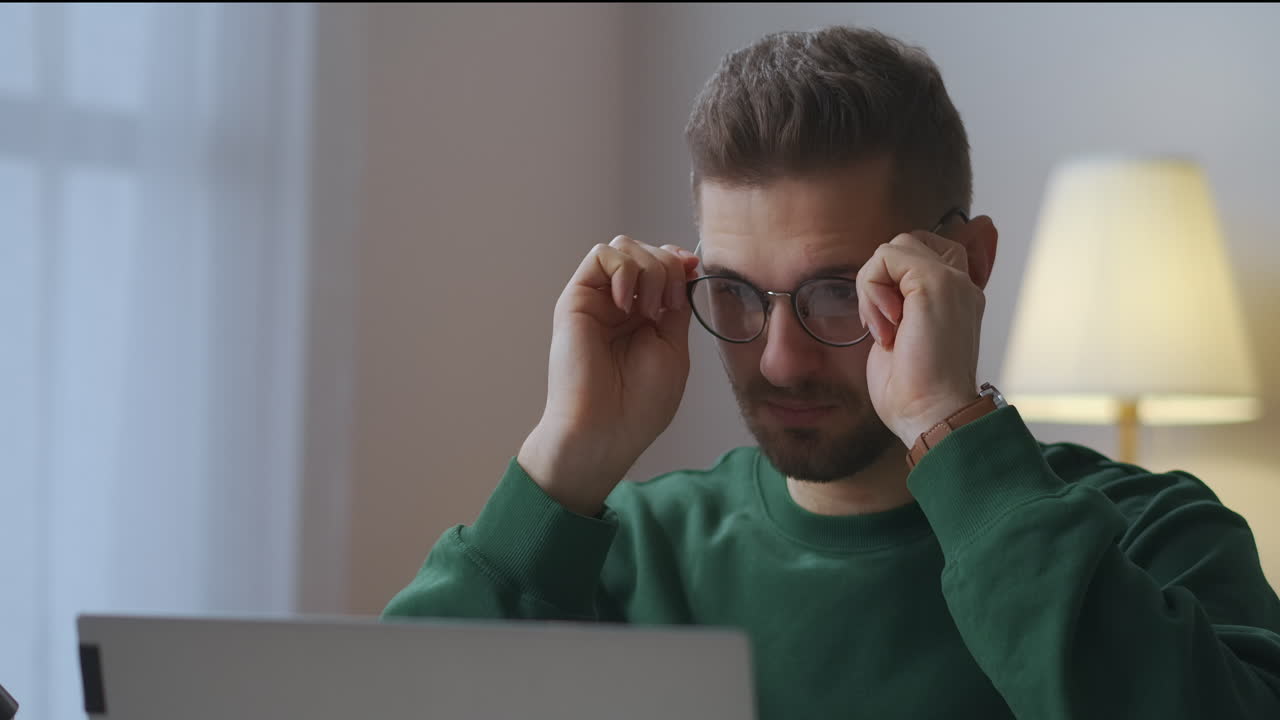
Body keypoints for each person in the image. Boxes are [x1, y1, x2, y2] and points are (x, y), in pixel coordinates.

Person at [382, 25, 1280, 719]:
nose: (778, 357)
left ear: (965, 264)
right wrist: (566, 454)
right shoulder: (633, 557)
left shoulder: (1159, 538)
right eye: (733, 292)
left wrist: (943, 415)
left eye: (840, 293)